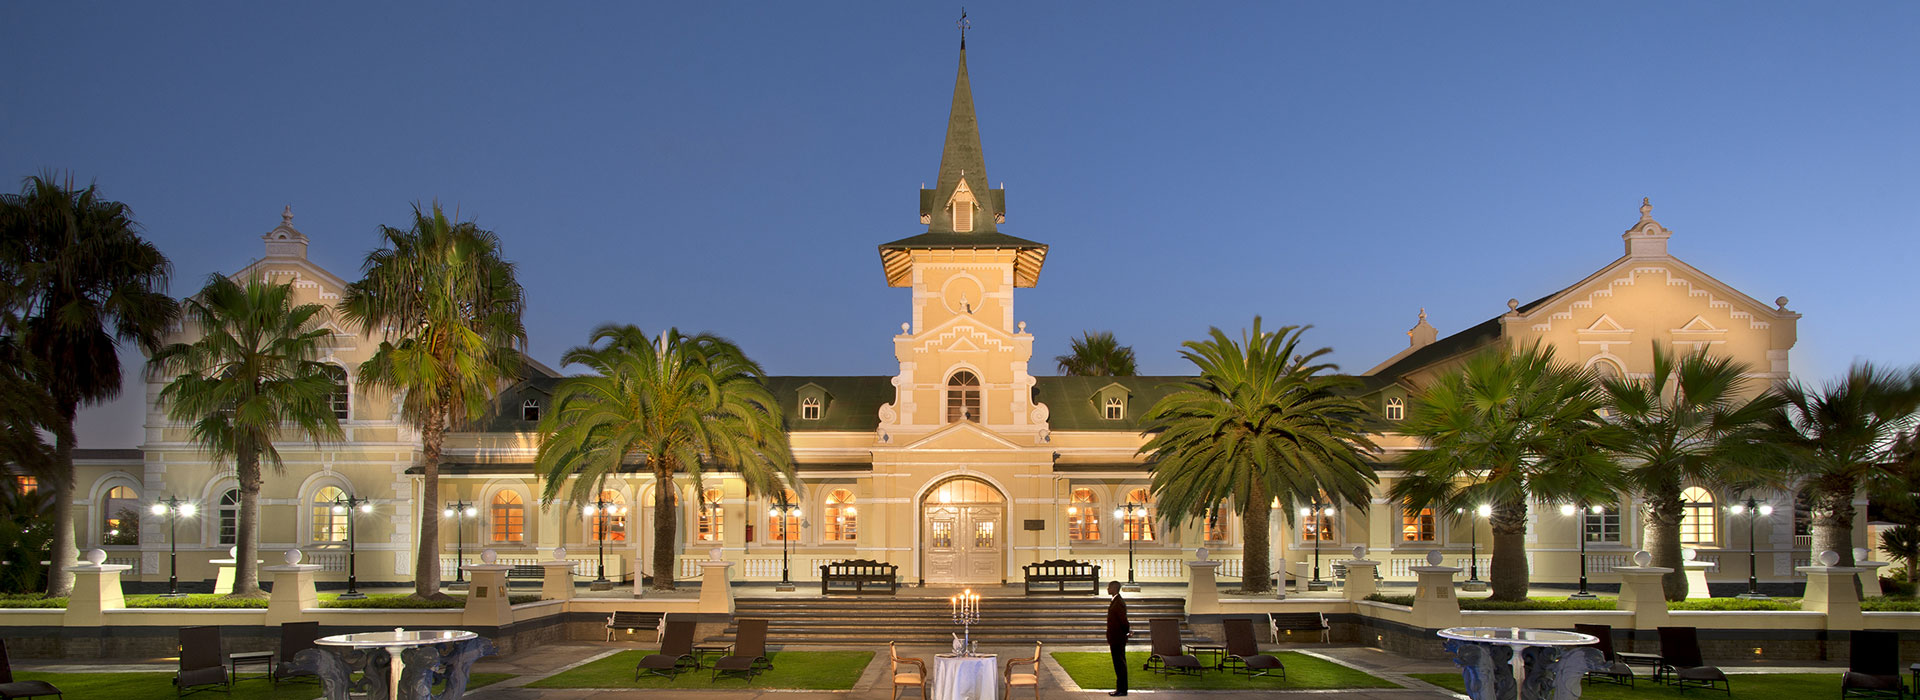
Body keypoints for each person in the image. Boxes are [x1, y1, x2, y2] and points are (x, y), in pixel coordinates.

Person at [1105, 579, 1129, 696]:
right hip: (1115, 638)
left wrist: (1126, 633)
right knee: (1118, 664)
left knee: (1120, 664)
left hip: (1118, 639)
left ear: (1114, 588)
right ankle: (1120, 688)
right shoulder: (1115, 601)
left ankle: (1122, 690)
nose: (1107, 589)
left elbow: (1123, 621)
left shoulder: (1118, 603)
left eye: (1109, 587)